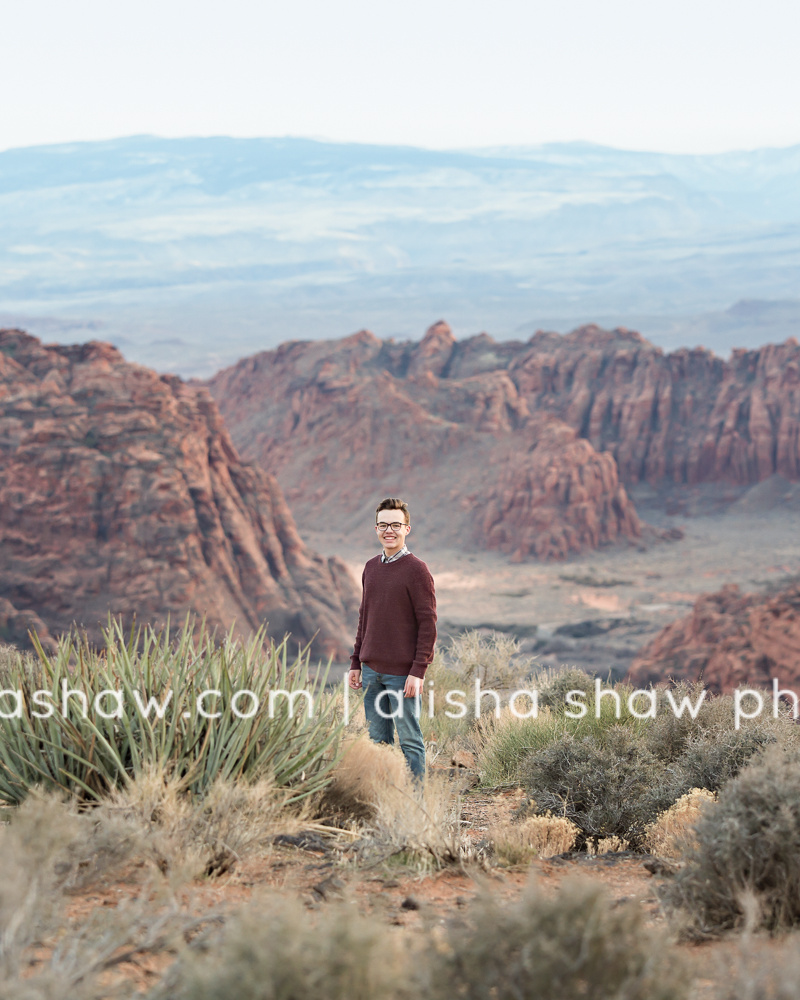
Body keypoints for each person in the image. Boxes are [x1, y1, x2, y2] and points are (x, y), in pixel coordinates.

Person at [348, 497, 437, 778]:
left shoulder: (417, 570)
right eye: (383, 525)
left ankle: (414, 805)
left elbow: (428, 623)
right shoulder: (370, 568)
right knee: (378, 744)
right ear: (376, 529)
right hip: (372, 672)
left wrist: (418, 672)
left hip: (402, 676)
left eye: (396, 525)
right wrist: (355, 662)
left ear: (407, 529)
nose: (390, 530)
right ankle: (386, 800)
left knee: (410, 743)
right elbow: (365, 618)